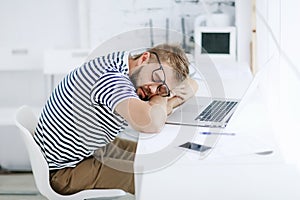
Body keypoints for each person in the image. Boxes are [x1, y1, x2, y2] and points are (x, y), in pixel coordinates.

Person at [33, 43, 198, 195]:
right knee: (153, 175)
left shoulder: (126, 65)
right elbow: (152, 123)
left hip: (90, 150)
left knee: (158, 155)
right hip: (65, 172)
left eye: (161, 88)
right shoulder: (111, 78)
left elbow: (192, 85)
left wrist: (165, 100)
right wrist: (165, 95)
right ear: (144, 58)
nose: (152, 90)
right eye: (156, 79)